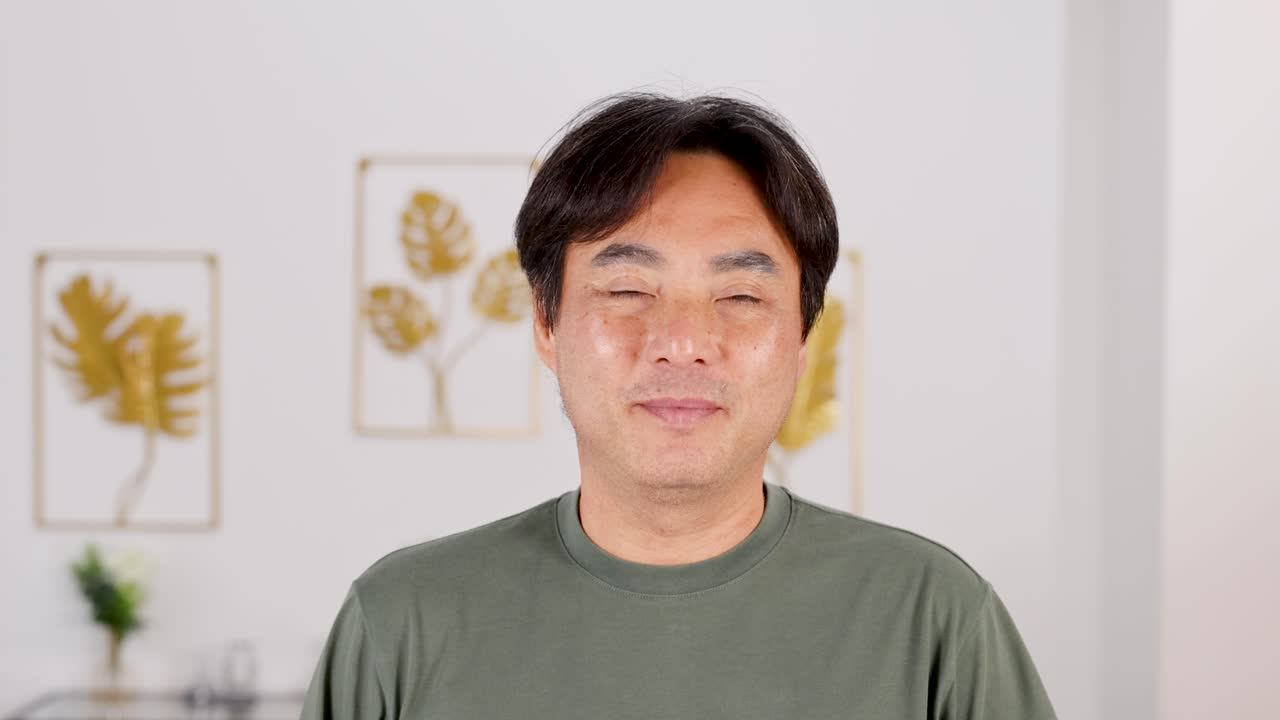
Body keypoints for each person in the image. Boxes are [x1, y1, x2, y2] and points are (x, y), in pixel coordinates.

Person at [301, 91, 1058, 720]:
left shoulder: (933, 621)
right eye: (628, 290)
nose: (684, 343)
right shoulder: (401, 623)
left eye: (739, 295)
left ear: (802, 335)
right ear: (545, 319)